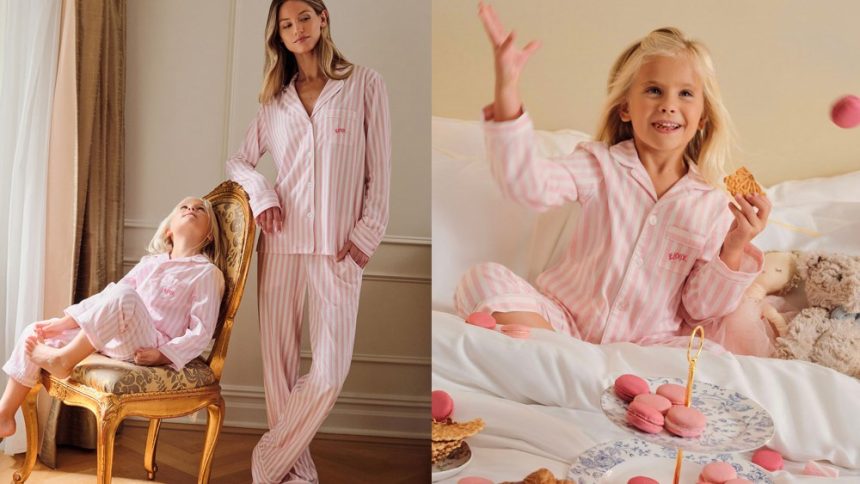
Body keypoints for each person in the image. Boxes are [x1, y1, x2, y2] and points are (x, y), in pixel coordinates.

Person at [455, 2, 771, 349]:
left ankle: (560, 366)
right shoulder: (597, 165)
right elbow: (528, 186)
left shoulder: (713, 204)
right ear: (625, 108)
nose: (668, 104)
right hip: (563, 323)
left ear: (702, 118)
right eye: (653, 90)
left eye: (685, 93)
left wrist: (735, 246)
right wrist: (507, 89)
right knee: (480, 280)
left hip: (648, 345)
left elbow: (700, 310)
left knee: (705, 350)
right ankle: (570, 362)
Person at [225, 0, 390, 482]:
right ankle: (294, 474)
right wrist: (261, 193)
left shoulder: (364, 85)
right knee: (277, 370)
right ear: (278, 35)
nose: (297, 29)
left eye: (304, 17)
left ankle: (266, 462)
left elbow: (378, 173)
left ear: (323, 18)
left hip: (340, 249)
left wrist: (367, 233)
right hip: (279, 243)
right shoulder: (274, 100)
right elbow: (239, 162)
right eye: (286, 24)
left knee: (329, 371)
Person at [0, 197, 225, 438]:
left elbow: (201, 332)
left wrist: (163, 354)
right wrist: (66, 321)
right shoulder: (150, 263)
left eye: (199, 209)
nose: (191, 209)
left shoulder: (206, 274)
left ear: (209, 234)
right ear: (169, 230)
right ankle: (5, 415)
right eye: (184, 207)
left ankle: (64, 360)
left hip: (149, 343)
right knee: (37, 331)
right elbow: (108, 297)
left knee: (125, 296)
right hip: (114, 335)